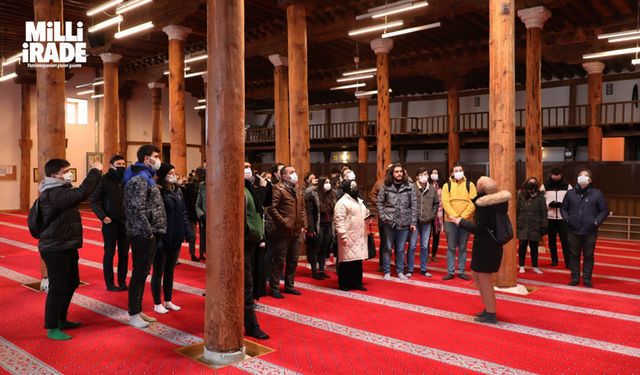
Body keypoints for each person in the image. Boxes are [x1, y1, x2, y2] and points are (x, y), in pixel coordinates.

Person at [37, 158, 102, 340]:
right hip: (55, 247)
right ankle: (52, 326)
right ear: (54, 175)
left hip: (65, 244)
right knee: (58, 286)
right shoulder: (52, 192)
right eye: (65, 170)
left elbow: (81, 194)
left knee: (72, 281)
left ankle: (61, 319)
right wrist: (95, 171)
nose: (69, 173)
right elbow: (81, 193)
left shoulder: (61, 190)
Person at [453, 176, 510, 324]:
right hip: (489, 245)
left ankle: (491, 313)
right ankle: (488, 308)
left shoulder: (485, 204)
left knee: (484, 278)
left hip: (487, 246)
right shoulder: (497, 202)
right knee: (476, 275)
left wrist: (461, 222)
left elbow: (479, 228)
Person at [123, 144, 167, 328]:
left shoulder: (147, 177)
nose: (158, 159)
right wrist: (148, 232)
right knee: (139, 274)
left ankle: (139, 310)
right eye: (156, 156)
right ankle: (133, 313)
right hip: (142, 233)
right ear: (146, 158)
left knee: (143, 274)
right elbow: (136, 209)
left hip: (150, 231)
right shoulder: (139, 179)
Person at [151, 163, 195, 314]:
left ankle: (168, 300)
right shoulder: (158, 191)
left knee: (170, 270)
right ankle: (157, 303)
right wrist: (159, 239)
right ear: (163, 174)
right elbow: (155, 217)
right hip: (162, 237)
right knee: (158, 272)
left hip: (176, 235)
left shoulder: (177, 191)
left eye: (174, 172)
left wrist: (188, 233)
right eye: (170, 172)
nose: (173, 175)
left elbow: (183, 213)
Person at [561, 169, 609, 288]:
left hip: (590, 230)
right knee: (574, 254)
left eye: (585, 175)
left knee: (588, 255)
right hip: (573, 229)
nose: (582, 177)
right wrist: (567, 219)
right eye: (580, 175)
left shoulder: (597, 194)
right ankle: (575, 277)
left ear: (590, 180)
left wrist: (596, 222)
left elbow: (604, 210)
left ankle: (587, 278)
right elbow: (563, 208)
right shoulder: (570, 193)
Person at [89, 154, 129, 292]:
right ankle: (110, 284)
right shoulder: (104, 180)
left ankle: (122, 282)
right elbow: (93, 200)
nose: (122, 167)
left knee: (124, 254)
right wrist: (103, 217)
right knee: (109, 254)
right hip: (110, 223)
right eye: (119, 165)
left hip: (125, 223)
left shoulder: (126, 180)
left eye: (124, 164)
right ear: (111, 165)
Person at [267, 166, 307, 298]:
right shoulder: (278, 188)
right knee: (279, 260)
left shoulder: (297, 188)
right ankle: (275, 288)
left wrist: (303, 224)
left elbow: (302, 208)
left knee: (293, 260)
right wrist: (284, 223)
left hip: (296, 231)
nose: (295, 174)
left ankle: (289, 286)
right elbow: (272, 209)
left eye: (295, 171)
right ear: (284, 176)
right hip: (282, 231)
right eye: (291, 172)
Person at [243, 162, 272, 339]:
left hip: (253, 239)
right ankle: (251, 325)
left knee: (250, 282)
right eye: (244, 167)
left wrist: (263, 187)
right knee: (246, 283)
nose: (248, 170)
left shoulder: (248, 187)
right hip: (244, 241)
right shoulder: (239, 188)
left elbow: (262, 207)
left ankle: (248, 321)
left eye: (249, 166)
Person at [376, 163, 417, 281]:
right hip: (389, 222)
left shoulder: (410, 186)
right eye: (396, 171)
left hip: (404, 222)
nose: (399, 174)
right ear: (392, 173)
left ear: (403, 173)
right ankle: (387, 271)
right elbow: (379, 202)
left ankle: (399, 271)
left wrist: (413, 222)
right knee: (387, 248)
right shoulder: (386, 185)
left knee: (400, 248)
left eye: (400, 171)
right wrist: (383, 217)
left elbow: (414, 205)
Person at [441, 163, 477, 280]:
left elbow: (473, 202)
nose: (458, 172)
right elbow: (445, 202)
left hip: (465, 221)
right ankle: (450, 272)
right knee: (451, 247)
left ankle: (461, 271)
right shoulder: (447, 185)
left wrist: (462, 218)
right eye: (455, 171)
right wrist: (455, 217)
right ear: (452, 173)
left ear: (463, 171)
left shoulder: (470, 185)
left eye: (460, 170)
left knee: (462, 247)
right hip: (450, 221)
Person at [334, 179, 370, 291]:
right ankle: (344, 284)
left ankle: (357, 282)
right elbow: (339, 220)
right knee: (346, 262)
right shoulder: (342, 203)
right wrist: (342, 235)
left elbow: (365, 213)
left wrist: (368, 218)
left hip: (359, 234)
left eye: (356, 186)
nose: (355, 188)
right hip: (348, 235)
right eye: (352, 186)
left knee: (357, 261)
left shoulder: (359, 200)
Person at [407, 168, 439, 277]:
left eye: (425, 174)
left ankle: (424, 269)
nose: (424, 176)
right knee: (412, 245)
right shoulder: (412, 188)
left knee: (425, 246)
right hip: (414, 222)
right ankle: (410, 269)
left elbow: (436, 203)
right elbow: (407, 203)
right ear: (417, 177)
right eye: (421, 174)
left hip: (427, 222)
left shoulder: (432, 189)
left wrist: (432, 215)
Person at [304, 176, 336, 280]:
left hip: (328, 224)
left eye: (329, 182)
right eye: (326, 182)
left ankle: (321, 270)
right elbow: (309, 213)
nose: (328, 184)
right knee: (315, 248)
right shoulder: (313, 195)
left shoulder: (332, 195)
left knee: (324, 249)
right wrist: (311, 228)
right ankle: (314, 271)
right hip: (318, 225)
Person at [516, 177, 548, 274]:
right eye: (530, 182)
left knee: (534, 246)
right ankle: (521, 265)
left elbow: (544, 211)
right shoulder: (521, 194)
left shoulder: (540, 196)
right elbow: (516, 210)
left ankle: (535, 266)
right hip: (523, 224)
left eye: (534, 182)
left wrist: (544, 225)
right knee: (522, 246)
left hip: (535, 224)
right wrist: (516, 222)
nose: (532, 184)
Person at [543, 167, 572, 268]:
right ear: (551, 175)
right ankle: (554, 260)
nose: (556, 177)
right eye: (554, 176)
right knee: (551, 241)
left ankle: (568, 262)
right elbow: (540, 200)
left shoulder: (567, 186)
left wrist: (563, 205)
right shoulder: (545, 185)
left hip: (562, 218)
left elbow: (572, 200)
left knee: (565, 241)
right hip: (550, 217)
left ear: (561, 175)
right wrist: (548, 205)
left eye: (558, 175)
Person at [368, 164, 394, 272]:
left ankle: (399, 263)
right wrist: (380, 204)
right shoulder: (379, 183)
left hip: (398, 217)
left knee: (398, 242)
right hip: (383, 217)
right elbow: (371, 196)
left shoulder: (400, 183)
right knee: (384, 241)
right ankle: (382, 264)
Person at [183, 167, 203, 262]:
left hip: (201, 212)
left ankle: (202, 252)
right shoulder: (190, 186)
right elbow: (187, 201)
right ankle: (192, 253)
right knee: (193, 235)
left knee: (203, 235)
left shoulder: (203, 185)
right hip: (192, 213)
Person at [428, 168, 444, 263]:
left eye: (436, 172)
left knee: (436, 236)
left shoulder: (442, 186)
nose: (434, 174)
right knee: (427, 236)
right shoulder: (427, 185)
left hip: (438, 214)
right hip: (429, 213)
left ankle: (434, 254)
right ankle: (426, 255)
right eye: (433, 172)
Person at [195, 168, 207, 261]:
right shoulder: (202, 186)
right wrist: (202, 215)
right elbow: (197, 205)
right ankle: (203, 252)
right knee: (203, 239)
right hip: (205, 219)